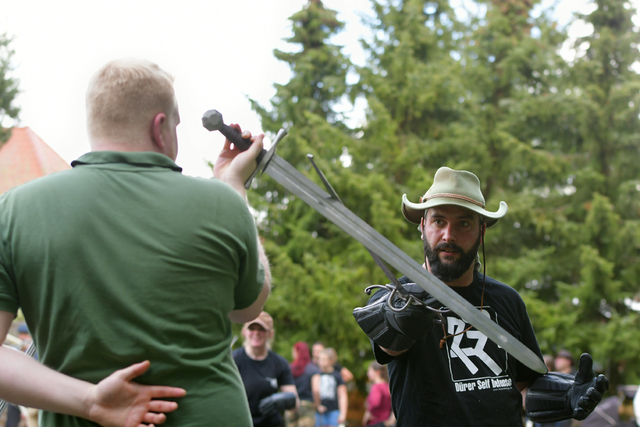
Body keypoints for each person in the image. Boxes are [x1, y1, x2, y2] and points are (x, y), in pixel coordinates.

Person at [0, 57, 271, 426]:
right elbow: (248, 308)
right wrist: (233, 187)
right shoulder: (220, 202)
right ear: (160, 127)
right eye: (176, 125)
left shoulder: (14, 209)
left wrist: (90, 401)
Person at [353, 167, 608, 426]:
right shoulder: (398, 298)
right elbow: (390, 343)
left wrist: (565, 397)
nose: (449, 235)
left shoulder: (507, 300)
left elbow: (523, 386)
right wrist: (401, 313)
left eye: (463, 223)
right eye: (439, 221)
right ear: (423, 225)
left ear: (482, 231)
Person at [233, 311, 299, 427]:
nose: (256, 333)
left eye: (261, 329)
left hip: (271, 423)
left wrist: (281, 400)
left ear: (270, 333)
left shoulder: (279, 363)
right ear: (244, 332)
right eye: (252, 328)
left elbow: (295, 403)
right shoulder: (233, 360)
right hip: (242, 422)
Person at [312, 348, 348, 427]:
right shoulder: (316, 375)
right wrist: (318, 406)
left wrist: (343, 414)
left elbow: (342, 396)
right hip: (320, 413)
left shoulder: (337, 376)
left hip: (334, 411)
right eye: (319, 359)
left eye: (324, 359)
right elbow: (315, 392)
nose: (320, 362)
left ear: (331, 361)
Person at [287, 342, 320, 427]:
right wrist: (317, 405)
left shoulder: (290, 368)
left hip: (291, 406)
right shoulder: (313, 369)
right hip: (307, 406)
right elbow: (316, 390)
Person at [362, 362, 393, 427]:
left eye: (370, 371)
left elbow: (375, 402)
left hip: (376, 422)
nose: (368, 374)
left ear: (377, 372)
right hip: (385, 422)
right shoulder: (387, 386)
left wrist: (368, 413)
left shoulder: (377, 387)